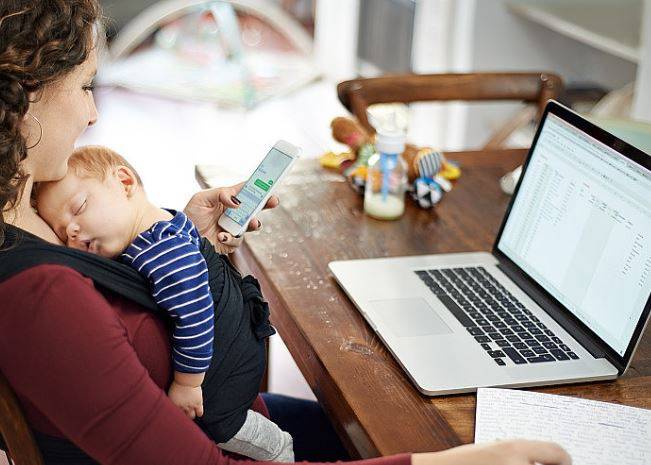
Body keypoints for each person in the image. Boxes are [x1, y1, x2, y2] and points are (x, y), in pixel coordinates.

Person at [0, 1, 571, 464]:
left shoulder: (25, 205)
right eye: (83, 87)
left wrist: (185, 238)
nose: (93, 113)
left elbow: (106, 293)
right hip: (226, 437)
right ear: (24, 100)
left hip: (238, 411)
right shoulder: (38, 295)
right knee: (426, 431)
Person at [34, 145, 294, 462]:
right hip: (237, 351)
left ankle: (278, 448)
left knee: (221, 425)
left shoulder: (159, 252)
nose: (72, 230)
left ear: (125, 182)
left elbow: (195, 316)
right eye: (62, 233)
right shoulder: (161, 227)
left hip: (224, 367)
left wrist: (187, 384)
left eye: (78, 208)